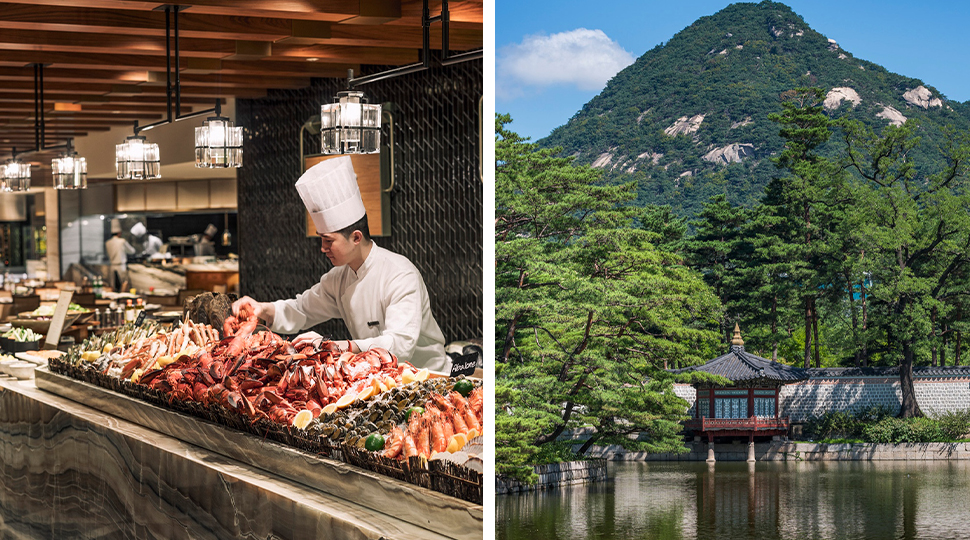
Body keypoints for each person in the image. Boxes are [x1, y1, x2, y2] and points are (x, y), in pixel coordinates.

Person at [232, 156, 448, 372]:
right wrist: (262, 309)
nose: (322, 248)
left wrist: (333, 347)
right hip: (379, 378)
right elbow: (302, 309)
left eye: (328, 241)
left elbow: (399, 346)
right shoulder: (339, 279)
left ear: (356, 237)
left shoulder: (400, 275)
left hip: (429, 376)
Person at [105, 218, 134, 291]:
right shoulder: (122, 241)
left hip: (112, 267)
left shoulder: (107, 243)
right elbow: (132, 251)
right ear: (119, 233)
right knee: (123, 287)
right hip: (121, 267)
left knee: (113, 288)